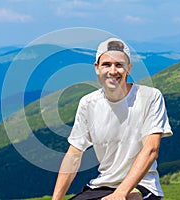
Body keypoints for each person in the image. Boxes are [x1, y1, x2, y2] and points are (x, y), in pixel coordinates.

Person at [52, 37, 173, 200]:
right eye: (106, 64)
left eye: (119, 65)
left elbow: (151, 149)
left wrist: (121, 193)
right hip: (101, 186)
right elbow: (74, 155)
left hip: (142, 186)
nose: (113, 71)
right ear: (97, 68)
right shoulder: (88, 104)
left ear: (129, 68)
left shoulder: (150, 97)